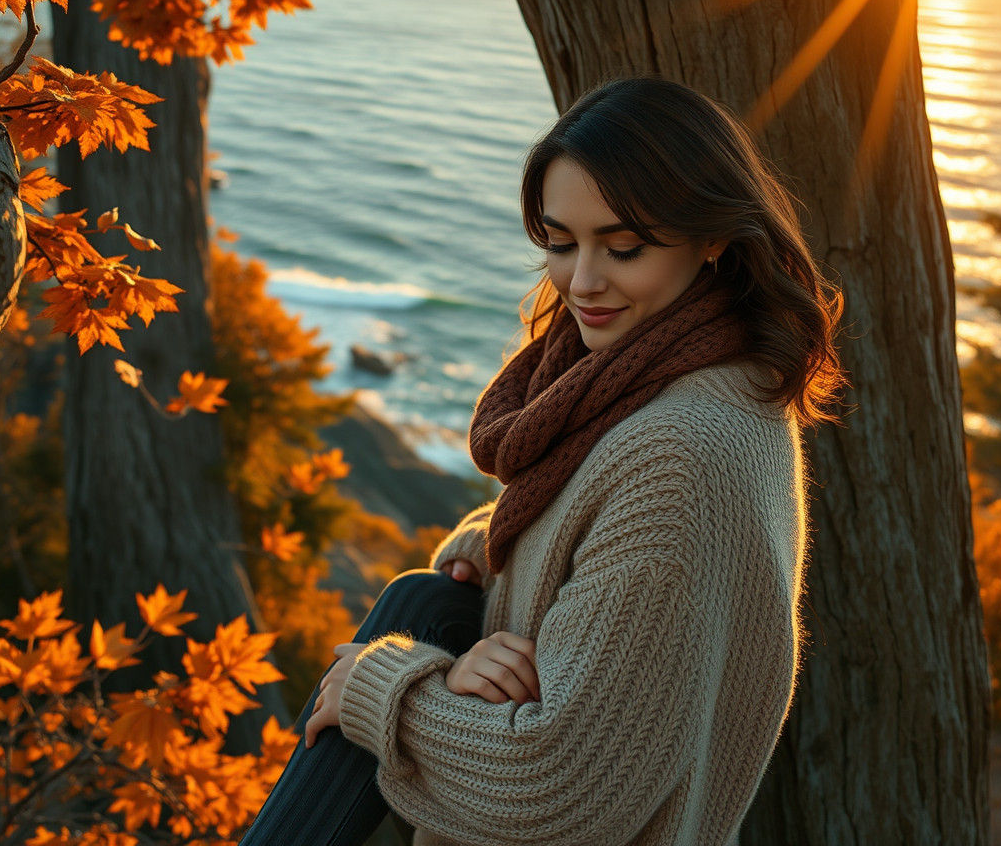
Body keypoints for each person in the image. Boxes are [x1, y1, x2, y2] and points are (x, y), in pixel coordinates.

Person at [237, 75, 848, 846]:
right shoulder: (689, 381)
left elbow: (557, 788)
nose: (583, 283)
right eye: (560, 243)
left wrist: (382, 688)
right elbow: (607, 536)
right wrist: (506, 555)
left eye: (623, 247)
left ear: (714, 237)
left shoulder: (679, 455)